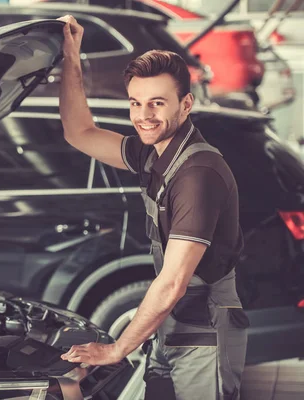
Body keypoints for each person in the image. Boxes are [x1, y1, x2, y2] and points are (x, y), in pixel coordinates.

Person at [56, 15, 249, 400]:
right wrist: (71, 56)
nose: (144, 116)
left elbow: (174, 281)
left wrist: (116, 349)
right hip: (171, 325)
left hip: (203, 334)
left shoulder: (198, 173)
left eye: (157, 104)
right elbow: (80, 132)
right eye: (136, 103)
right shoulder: (152, 153)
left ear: (186, 103)